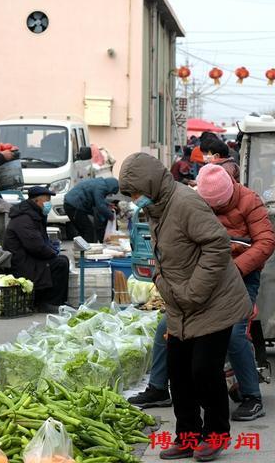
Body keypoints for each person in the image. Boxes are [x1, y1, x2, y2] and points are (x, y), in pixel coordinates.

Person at [119, 153, 251, 462]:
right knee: (178, 374)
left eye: (136, 192)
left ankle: (215, 435)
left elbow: (217, 244)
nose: (136, 200)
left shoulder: (185, 203)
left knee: (204, 371)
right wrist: (161, 277)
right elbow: (165, 251)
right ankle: (188, 436)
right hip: (181, 303)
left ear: (150, 183)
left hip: (212, 302)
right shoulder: (157, 207)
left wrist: (194, 291)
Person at [129, 164, 275, 422]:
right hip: (201, 278)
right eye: (211, 207)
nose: (215, 211)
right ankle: (159, 388)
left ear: (231, 192)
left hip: (239, 277)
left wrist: (237, 268)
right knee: (167, 328)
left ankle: (252, 396)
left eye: (221, 206)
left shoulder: (250, 201)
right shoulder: (191, 201)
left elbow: (266, 241)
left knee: (234, 333)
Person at [3, 186, 69, 313]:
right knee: (60, 263)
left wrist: (52, 251)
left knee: (61, 260)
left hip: (30, 258)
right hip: (22, 264)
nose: (49, 204)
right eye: (47, 200)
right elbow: (36, 246)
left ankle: (58, 302)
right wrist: (53, 254)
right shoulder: (24, 219)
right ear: (37, 201)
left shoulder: (33, 215)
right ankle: (49, 302)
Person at [62, 177, 119, 243]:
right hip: (74, 206)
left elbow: (98, 198)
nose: (110, 194)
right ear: (111, 187)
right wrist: (111, 216)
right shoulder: (101, 188)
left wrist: (107, 204)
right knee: (88, 230)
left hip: (72, 204)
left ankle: (82, 250)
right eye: (111, 192)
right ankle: (87, 251)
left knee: (84, 231)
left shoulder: (100, 183)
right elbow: (100, 205)